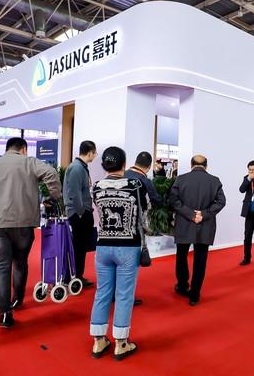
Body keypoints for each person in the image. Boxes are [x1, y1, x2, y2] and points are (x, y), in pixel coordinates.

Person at [0, 137, 61, 328]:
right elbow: (51, 172)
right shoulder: (30, 163)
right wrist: (55, 196)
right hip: (23, 222)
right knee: (20, 263)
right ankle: (17, 299)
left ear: (7, 149)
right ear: (24, 149)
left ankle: (5, 314)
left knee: (1, 267)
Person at [90, 147, 143, 361]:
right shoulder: (135, 185)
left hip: (103, 246)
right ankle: (121, 343)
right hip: (128, 247)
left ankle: (98, 341)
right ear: (124, 164)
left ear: (104, 165)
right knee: (124, 295)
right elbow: (144, 210)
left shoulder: (96, 187)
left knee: (102, 292)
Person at [170, 155, 226, 305]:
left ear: (191, 165)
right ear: (206, 166)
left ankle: (182, 286)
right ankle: (195, 295)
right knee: (200, 260)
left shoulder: (180, 179)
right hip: (205, 224)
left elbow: (173, 200)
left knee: (181, 256)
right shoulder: (215, 181)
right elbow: (221, 202)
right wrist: (203, 214)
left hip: (184, 223)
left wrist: (190, 214)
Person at [124, 151, 163, 307]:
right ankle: (127, 298)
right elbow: (156, 200)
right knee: (130, 264)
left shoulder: (123, 174)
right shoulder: (144, 180)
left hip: (118, 225)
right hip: (135, 224)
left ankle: (113, 294)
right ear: (148, 166)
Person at [64, 140, 98, 288]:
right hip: (79, 214)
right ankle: (74, 277)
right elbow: (74, 193)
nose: (95, 156)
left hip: (82, 212)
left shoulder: (81, 167)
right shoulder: (77, 168)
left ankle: (77, 276)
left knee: (81, 246)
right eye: (94, 153)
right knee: (78, 246)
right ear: (89, 152)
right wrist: (80, 212)